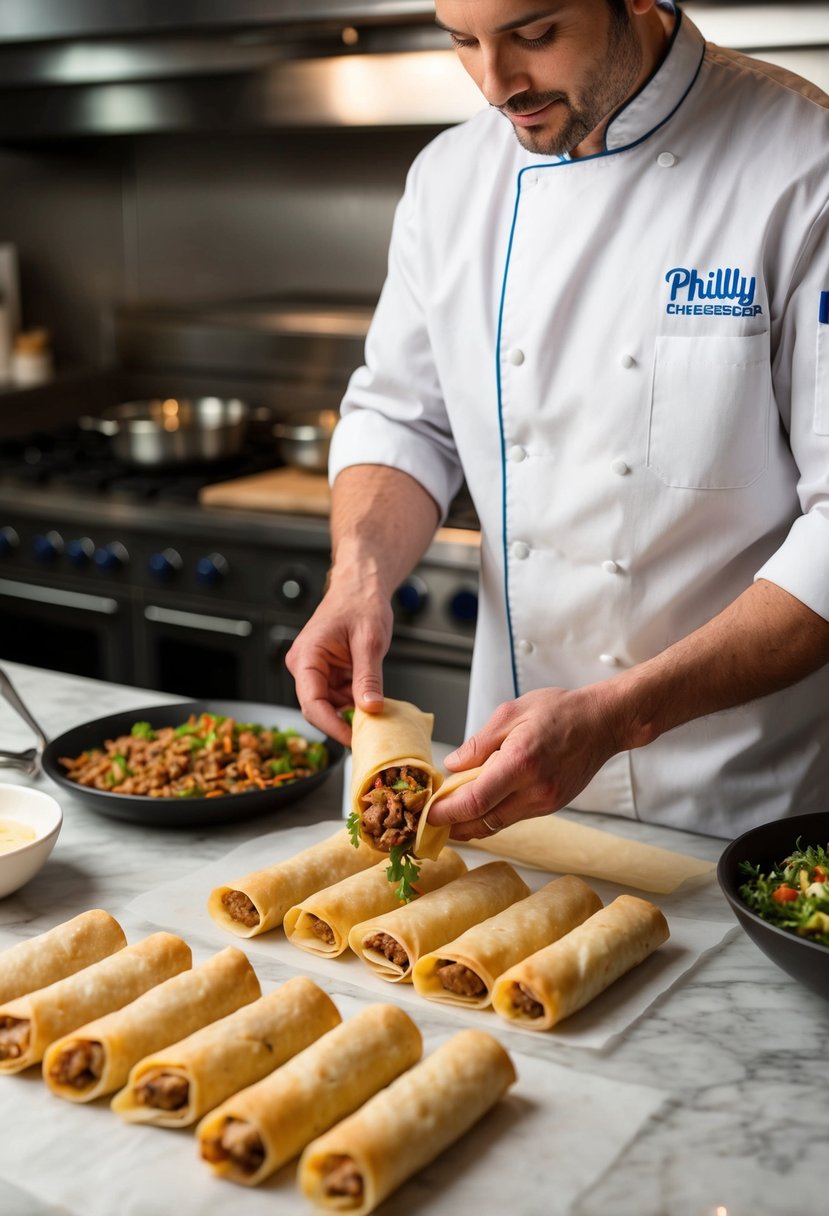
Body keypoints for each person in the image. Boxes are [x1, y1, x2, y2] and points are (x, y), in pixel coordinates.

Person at [286, 0, 829, 842]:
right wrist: (357, 575)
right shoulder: (448, 179)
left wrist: (616, 718)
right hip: (500, 788)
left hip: (734, 806)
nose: (497, 84)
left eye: (533, 35)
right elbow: (403, 419)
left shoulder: (803, 163)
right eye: (462, 41)